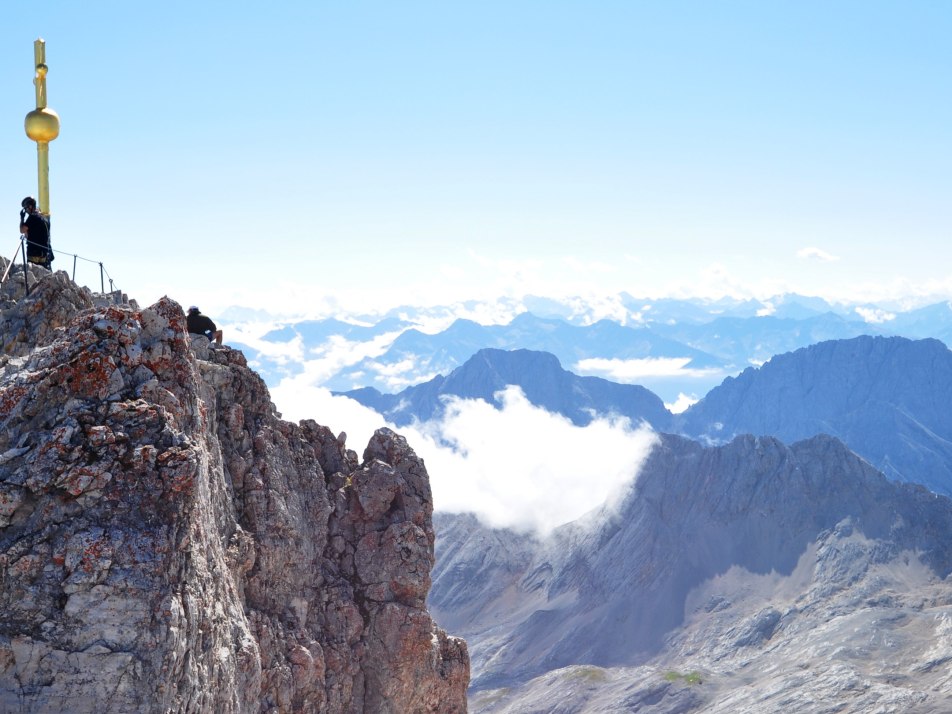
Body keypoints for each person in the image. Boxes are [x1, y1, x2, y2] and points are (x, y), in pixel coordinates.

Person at [19, 196, 53, 269]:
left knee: (31, 275)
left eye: (26, 208)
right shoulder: (45, 219)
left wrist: (22, 218)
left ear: (30, 206)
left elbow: (22, 230)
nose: (26, 210)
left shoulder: (32, 217)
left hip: (33, 253)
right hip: (44, 254)